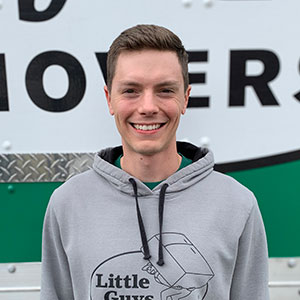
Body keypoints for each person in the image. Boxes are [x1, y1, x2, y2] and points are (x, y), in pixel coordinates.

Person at [40, 24, 270, 300]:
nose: (148, 107)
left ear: (185, 98)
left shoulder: (237, 204)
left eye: (164, 90)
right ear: (109, 99)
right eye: (131, 90)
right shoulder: (67, 203)